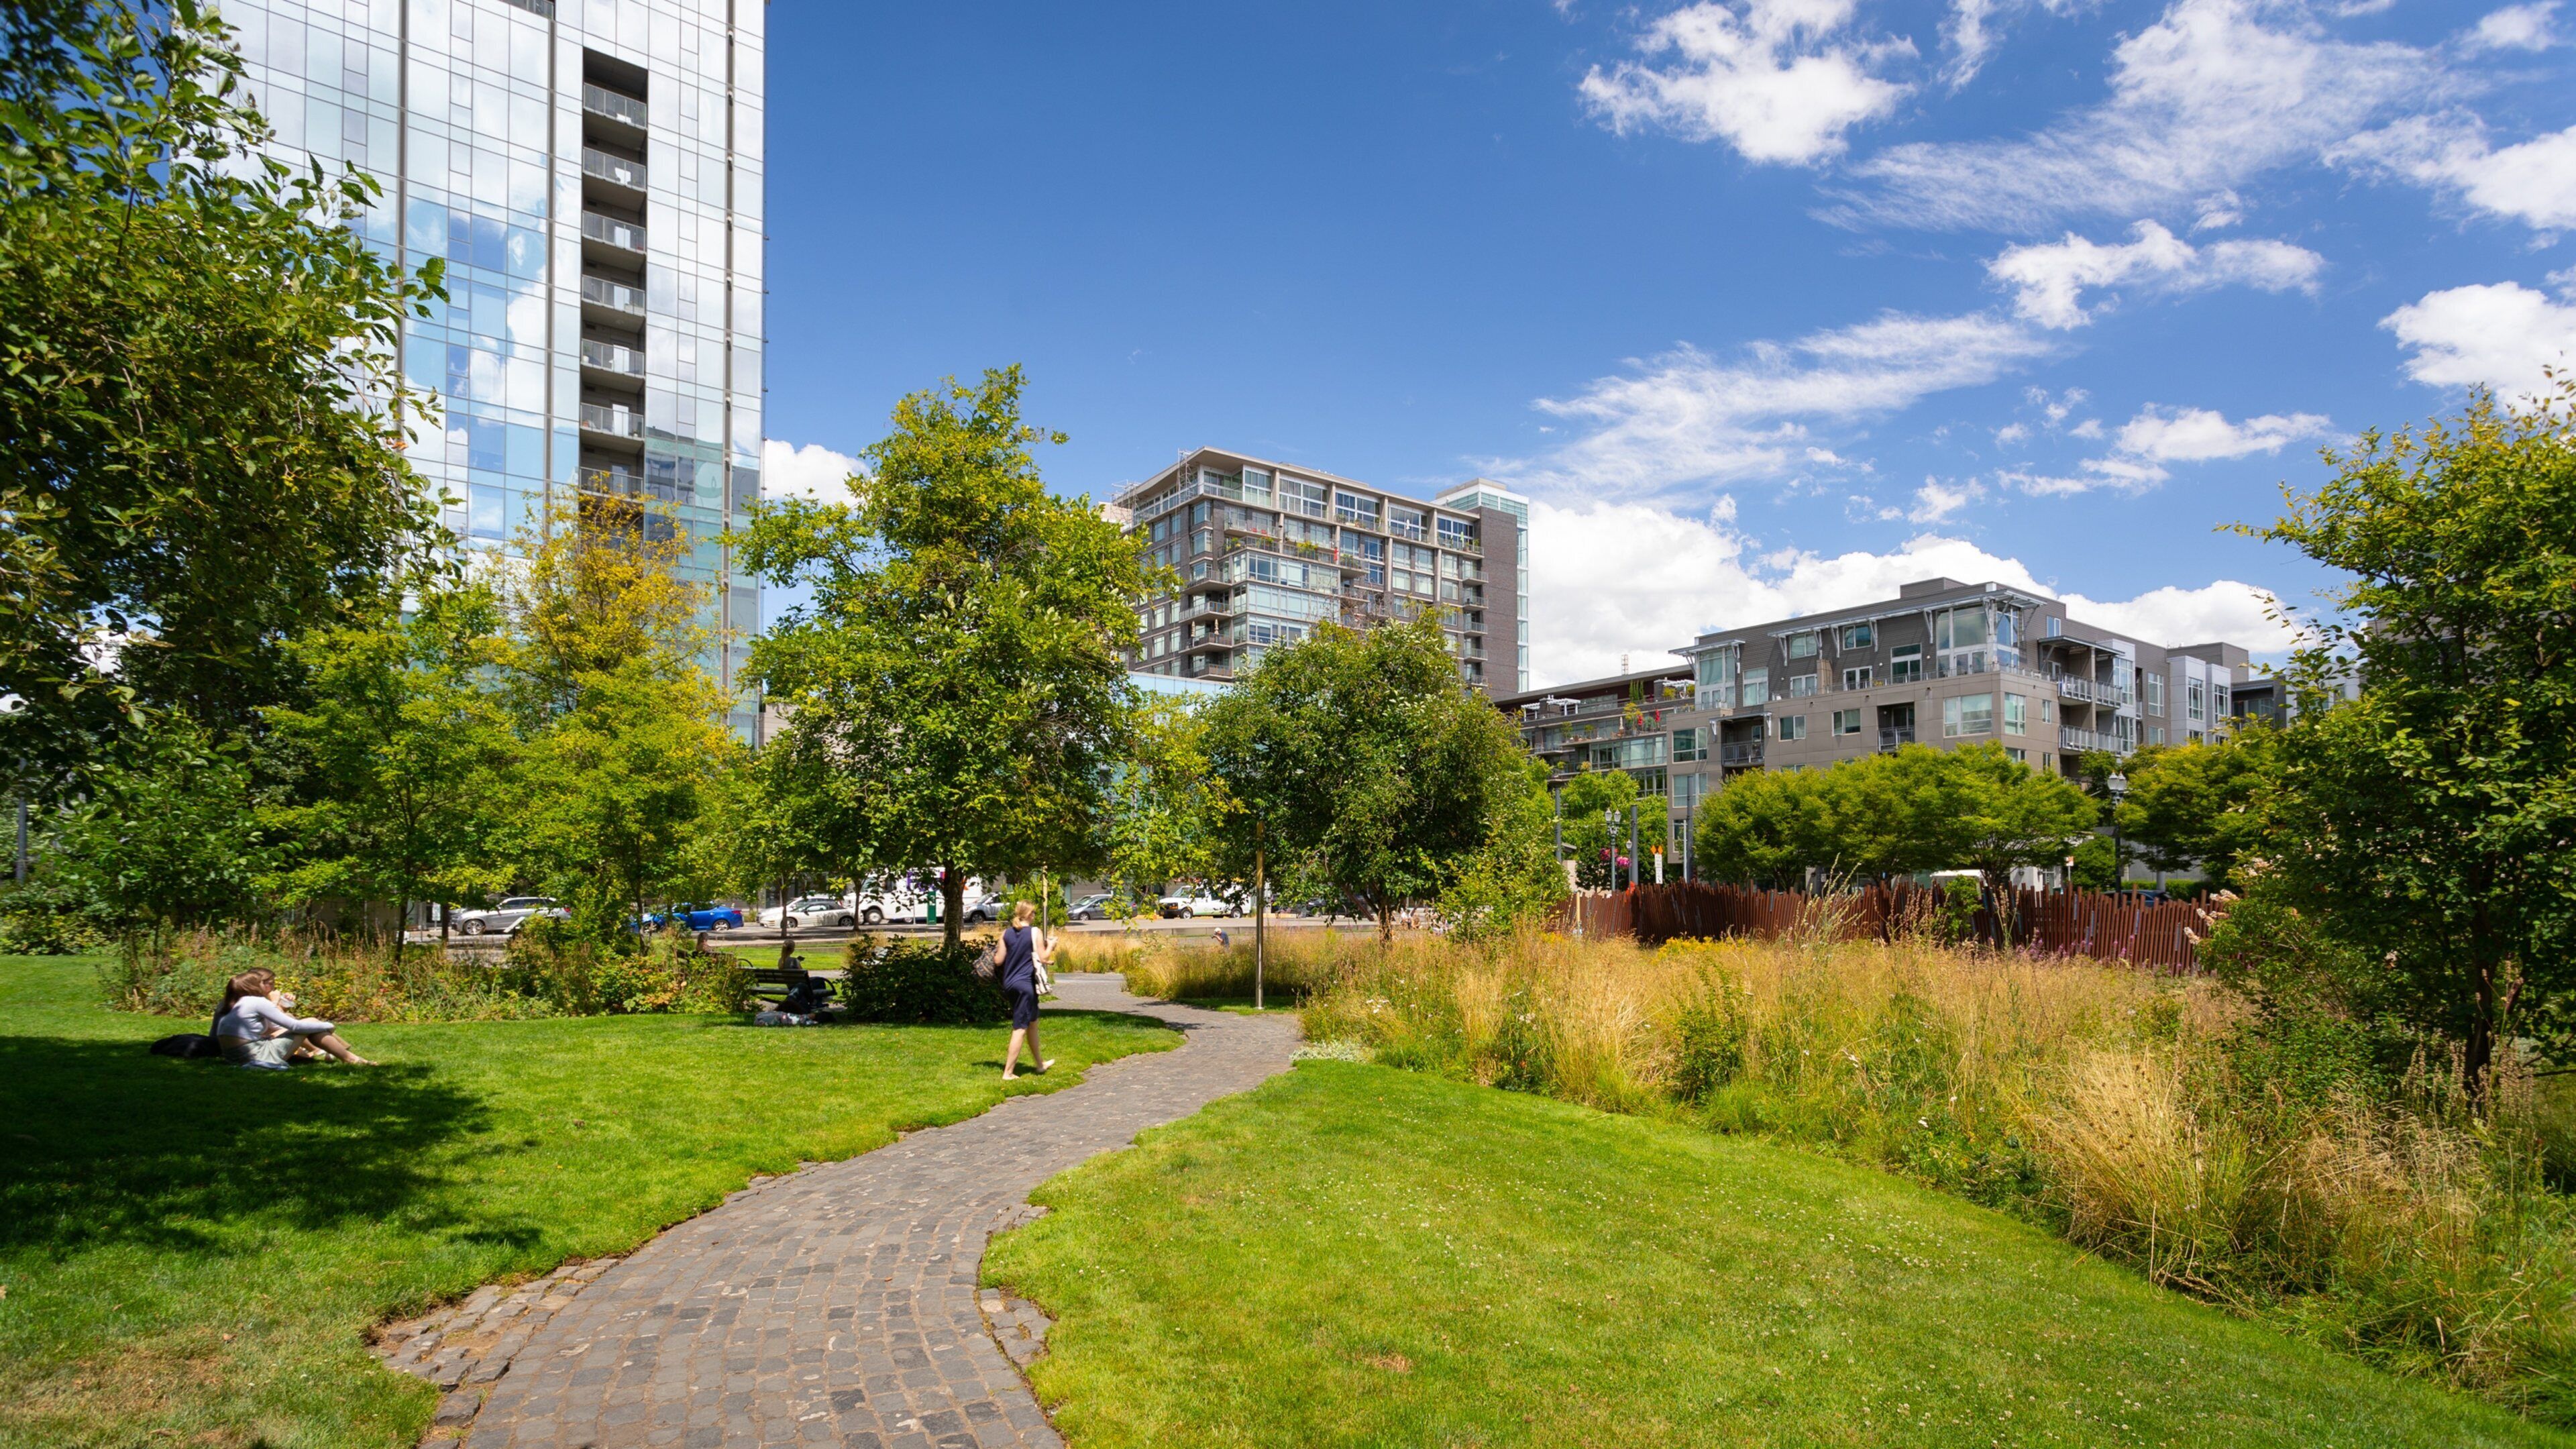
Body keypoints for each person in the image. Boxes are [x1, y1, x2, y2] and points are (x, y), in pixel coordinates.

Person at [214, 971, 374, 1069]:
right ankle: (350, 1059)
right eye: (264, 983)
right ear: (253, 987)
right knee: (310, 1024)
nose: (269, 986)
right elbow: (294, 1026)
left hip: (235, 1057)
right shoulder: (256, 1001)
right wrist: (328, 1025)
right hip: (256, 1056)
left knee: (310, 1024)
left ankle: (348, 1056)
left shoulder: (237, 1003)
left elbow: (277, 1026)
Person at [998, 902, 1055, 1079]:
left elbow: (999, 960)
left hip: (1010, 984)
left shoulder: (1006, 933)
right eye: (1034, 912)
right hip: (1025, 986)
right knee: (1020, 1028)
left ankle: (1040, 1064)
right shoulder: (1034, 932)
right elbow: (1043, 957)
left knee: (1032, 1023)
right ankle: (1008, 1073)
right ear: (1029, 914)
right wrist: (1051, 945)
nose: (1035, 915)